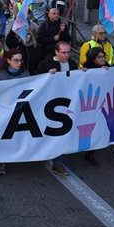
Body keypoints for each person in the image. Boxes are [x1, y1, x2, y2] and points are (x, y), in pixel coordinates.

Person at [36, 41, 80, 176]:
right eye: (63, 52)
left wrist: (83, 73)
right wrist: (47, 75)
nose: (67, 55)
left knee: (60, 131)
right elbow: (36, 82)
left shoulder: (72, 64)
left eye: (68, 52)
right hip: (49, 104)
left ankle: (58, 162)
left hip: (67, 103)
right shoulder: (45, 64)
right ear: (56, 52)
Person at [0, 48, 30, 175]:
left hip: (19, 108)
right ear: (8, 61)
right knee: (3, 136)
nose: (19, 63)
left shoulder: (25, 74)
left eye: (20, 60)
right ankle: (1, 161)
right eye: (16, 60)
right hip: (3, 110)